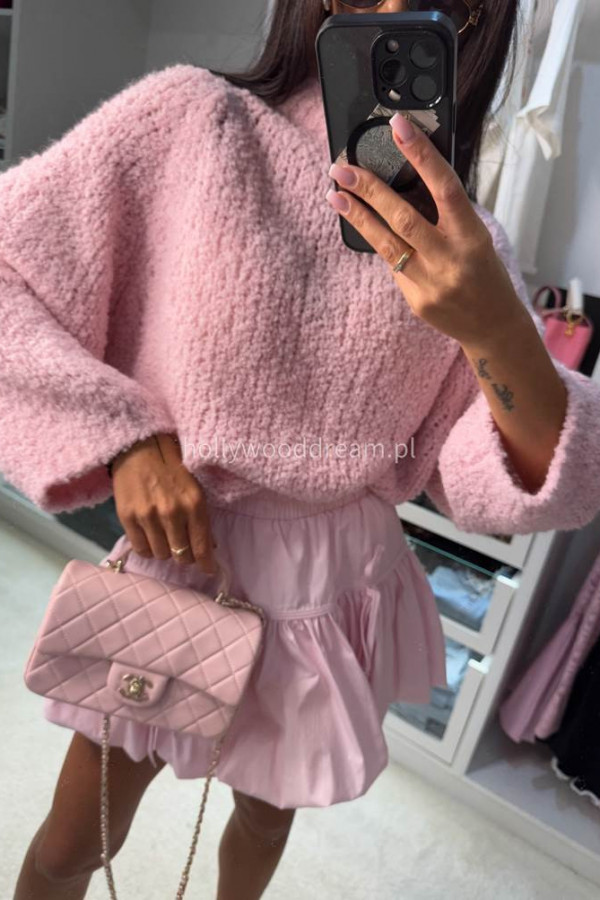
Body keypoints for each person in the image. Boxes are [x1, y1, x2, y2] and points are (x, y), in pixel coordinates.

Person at [6, 1, 600, 898]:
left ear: (477, 13)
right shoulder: (191, 123)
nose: (393, 8)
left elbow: (500, 474)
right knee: (74, 841)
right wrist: (124, 437)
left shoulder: (468, 245)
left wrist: (500, 332)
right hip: (189, 555)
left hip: (337, 582)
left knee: (265, 814)